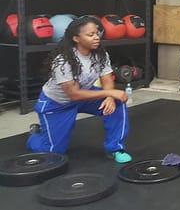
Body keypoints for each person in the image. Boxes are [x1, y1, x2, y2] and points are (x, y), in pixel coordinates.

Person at [26, 16, 132, 163]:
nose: (96, 37)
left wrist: (110, 97)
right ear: (76, 38)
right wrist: (110, 93)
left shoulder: (101, 54)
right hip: (58, 103)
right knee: (54, 153)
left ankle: (115, 148)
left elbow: (107, 79)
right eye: (90, 35)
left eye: (97, 33)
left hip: (86, 96)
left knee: (118, 103)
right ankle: (35, 135)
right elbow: (73, 94)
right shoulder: (63, 61)